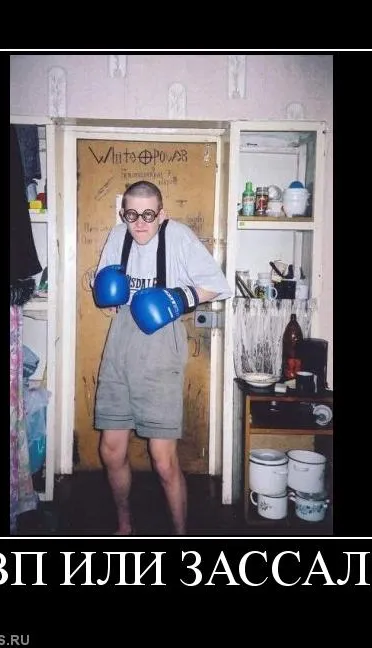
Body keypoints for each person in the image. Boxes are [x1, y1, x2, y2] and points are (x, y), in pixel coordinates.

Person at [92, 180, 232, 535]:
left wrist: (178, 298)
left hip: (161, 343)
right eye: (132, 215)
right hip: (120, 343)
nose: (140, 223)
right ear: (123, 213)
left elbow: (219, 285)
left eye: (148, 215)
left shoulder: (179, 236)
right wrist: (105, 291)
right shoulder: (118, 236)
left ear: (161, 214)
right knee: (111, 450)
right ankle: (125, 523)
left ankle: (181, 532)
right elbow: (104, 290)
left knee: (163, 458)